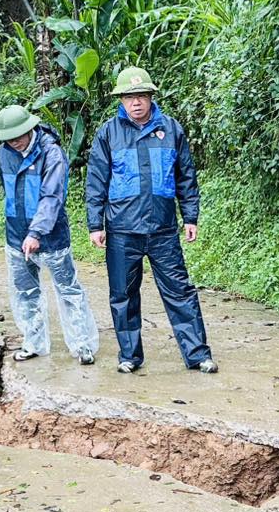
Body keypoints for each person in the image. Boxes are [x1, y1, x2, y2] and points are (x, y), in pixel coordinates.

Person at [86, 66, 218, 375]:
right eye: (129, 97)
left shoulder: (171, 129)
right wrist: (95, 224)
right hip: (122, 230)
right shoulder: (109, 133)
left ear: (150, 97)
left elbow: (186, 176)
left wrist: (190, 216)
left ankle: (198, 354)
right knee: (123, 295)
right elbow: (96, 181)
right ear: (121, 100)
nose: (136, 102)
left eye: (141, 96)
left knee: (180, 291)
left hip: (163, 229)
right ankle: (129, 356)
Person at [0, 103, 99, 365]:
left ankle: (82, 345)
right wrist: (22, 232)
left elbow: (52, 196)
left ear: (29, 128)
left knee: (68, 290)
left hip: (52, 237)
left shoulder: (52, 153)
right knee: (25, 292)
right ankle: (33, 343)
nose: (14, 141)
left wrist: (36, 232)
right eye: (9, 138)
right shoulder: (4, 153)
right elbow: (9, 192)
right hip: (16, 236)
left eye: (18, 135)